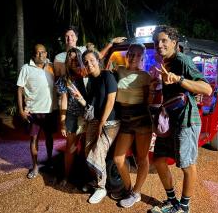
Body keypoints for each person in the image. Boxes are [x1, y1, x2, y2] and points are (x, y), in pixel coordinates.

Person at [149, 25, 212, 213]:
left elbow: (206, 88)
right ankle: (172, 200)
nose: (159, 45)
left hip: (186, 121)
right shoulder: (164, 63)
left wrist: (179, 80)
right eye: (156, 42)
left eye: (163, 41)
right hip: (170, 121)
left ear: (174, 43)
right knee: (159, 160)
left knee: (187, 165)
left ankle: (184, 207)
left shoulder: (182, 60)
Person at [75, 49, 120, 204]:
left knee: (97, 151)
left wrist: (101, 122)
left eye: (91, 60)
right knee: (87, 150)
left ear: (98, 61)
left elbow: (111, 100)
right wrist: (79, 98)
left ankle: (101, 188)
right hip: (94, 121)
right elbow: (90, 104)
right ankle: (95, 181)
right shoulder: (91, 81)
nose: (89, 64)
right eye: (86, 62)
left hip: (109, 122)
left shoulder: (108, 75)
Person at [112, 44, 153, 208]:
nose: (133, 57)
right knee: (118, 159)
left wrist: (154, 91)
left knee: (142, 159)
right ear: (127, 55)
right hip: (125, 120)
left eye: (138, 55)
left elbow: (147, 102)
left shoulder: (145, 76)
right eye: (131, 54)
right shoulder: (119, 71)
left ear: (142, 58)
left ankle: (136, 192)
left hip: (142, 119)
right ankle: (130, 190)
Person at [17, 44, 57, 179]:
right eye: (38, 53)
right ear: (33, 55)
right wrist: (21, 110)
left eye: (43, 52)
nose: (41, 55)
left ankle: (50, 161)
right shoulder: (26, 68)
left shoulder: (51, 67)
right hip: (33, 111)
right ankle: (35, 166)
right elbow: (19, 89)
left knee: (49, 137)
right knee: (34, 139)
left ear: (46, 53)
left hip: (50, 110)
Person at [55, 47, 88, 186]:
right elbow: (63, 100)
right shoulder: (65, 79)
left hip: (88, 116)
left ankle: (86, 177)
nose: (73, 61)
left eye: (76, 58)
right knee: (71, 147)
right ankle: (67, 176)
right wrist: (62, 122)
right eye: (70, 58)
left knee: (87, 148)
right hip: (72, 116)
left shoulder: (87, 75)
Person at [53, 25, 126, 78]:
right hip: (71, 89)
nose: (69, 38)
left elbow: (99, 56)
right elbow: (57, 77)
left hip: (87, 86)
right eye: (67, 36)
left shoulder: (84, 49)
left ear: (77, 38)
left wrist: (111, 42)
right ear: (64, 38)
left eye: (72, 35)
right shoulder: (58, 57)